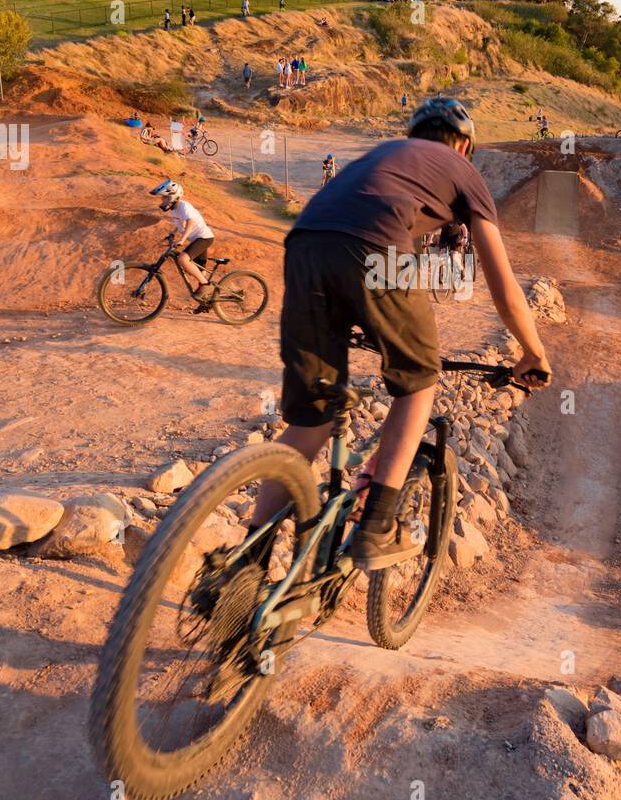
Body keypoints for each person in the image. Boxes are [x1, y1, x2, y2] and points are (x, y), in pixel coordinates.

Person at [251, 94, 552, 570]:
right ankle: (377, 527)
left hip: (303, 246)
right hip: (376, 250)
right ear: (466, 144)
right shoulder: (462, 170)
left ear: (415, 136)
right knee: (419, 380)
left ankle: (246, 561)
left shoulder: (383, 156)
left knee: (312, 417)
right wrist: (534, 351)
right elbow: (501, 280)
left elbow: (352, 241)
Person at [149, 180, 216, 310]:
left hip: (204, 238)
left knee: (183, 259)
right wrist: (172, 234)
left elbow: (190, 222)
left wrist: (182, 239)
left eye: (164, 198)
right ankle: (207, 302)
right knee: (196, 271)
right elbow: (180, 224)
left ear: (173, 197)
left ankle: (206, 285)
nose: (162, 200)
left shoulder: (184, 206)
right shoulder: (174, 210)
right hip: (196, 239)